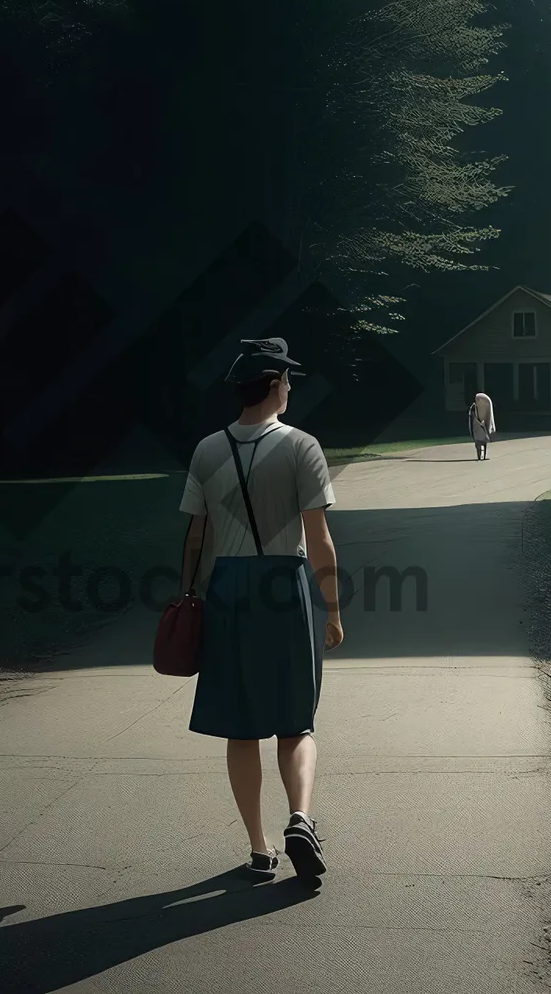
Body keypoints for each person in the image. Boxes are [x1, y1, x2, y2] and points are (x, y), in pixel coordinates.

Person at [178, 337, 344, 884]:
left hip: (227, 588)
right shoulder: (302, 446)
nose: (291, 387)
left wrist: (190, 597)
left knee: (241, 727)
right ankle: (300, 817)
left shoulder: (206, 450)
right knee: (295, 722)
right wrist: (333, 607)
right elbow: (317, 535)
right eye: (288, 380)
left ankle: (259, 848)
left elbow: (196, 533)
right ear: (274, 386)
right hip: (285, 582)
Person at [469, 390, 495, 460]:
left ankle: (480, 456)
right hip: (479, 426)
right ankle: (481, 456)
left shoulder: (477, 407)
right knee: (481, 442)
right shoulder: (475, 407)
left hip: (479, 427)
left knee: (480, 442)